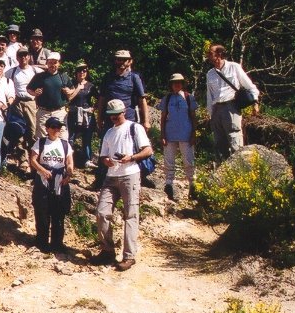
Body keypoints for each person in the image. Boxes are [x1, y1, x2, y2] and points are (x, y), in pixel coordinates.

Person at [93, 99, 153, 271]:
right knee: (102, 212)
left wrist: (131, 157)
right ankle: (107, 250)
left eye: (116, 114)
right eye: (111, 115)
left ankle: (129, 256)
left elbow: (148, 150)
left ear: (123, 112)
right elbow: (103, 156)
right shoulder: (109, 133)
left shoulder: (135, 128)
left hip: (130, 175)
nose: (114, 118)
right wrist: (106, 161)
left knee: (131, 215)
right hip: (111, 176)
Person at [206, 44, 260, 160]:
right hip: (216, 109)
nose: (208, 56)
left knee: (234, 138)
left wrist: (255, 103)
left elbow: (250, 86)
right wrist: (210, 113)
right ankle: (223, 172)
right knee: (219, 142)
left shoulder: (234, 67)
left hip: (231, 106)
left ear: (219, 54)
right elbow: (209, 96)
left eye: (210, 53)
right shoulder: (209, 74)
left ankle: (240, 168)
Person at [29, 116, 73, 253]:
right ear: (47, 128)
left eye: (59, 127)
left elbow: (70, 162)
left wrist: (69, 175)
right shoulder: (40, 143)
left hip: (60, 179)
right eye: (53, 127)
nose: (56, 130)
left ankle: (57, 243)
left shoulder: (65, 144)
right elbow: (32, 159)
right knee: (42, 210)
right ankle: (41, 241)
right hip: (43, 179)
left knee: (59, 211)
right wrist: (42, 170)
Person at [158, 73, 198, 201]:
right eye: (175, 82)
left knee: (189, 162)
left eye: (179, 82)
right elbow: (163, 118)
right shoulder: (167, 98)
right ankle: (168, 186)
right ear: (171, 84)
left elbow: (193, 117)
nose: (177, 85)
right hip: (170, 135)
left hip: (186, 135)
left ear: (183, 84)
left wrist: (193, 134)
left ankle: (193, 186)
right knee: (169, 162)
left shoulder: (188, 98)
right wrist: (162, 135)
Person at [27, 52, 77, 139]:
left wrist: (69, 91)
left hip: (59, 112)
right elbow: (29, 89)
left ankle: (63, 152)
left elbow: (72, 88)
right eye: (50, 62)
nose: (52, 65)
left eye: (55, 62)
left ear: (59, 63)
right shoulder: (39, 76)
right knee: (42, 138)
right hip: (43, 113)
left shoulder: (63, 76)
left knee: (62, 137)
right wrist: (34, 93)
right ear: (47, 63)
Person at [97, 49, 149, 130]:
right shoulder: (107, 77)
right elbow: (101, 99)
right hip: (109, 120)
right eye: (119, 59)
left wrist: (146, 121)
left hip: (128, 119)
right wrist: (99, 118)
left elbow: (142, 100)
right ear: (115, 61)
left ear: (129, 61)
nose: (121, 62)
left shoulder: (134, 78)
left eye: (124, 60)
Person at [6, 47, 37, 151]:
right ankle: (23, 161)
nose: (23, 57)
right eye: (20, 55)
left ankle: (33, 158)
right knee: (19, 130)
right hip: (17, 102)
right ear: (17, 58)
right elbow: (0, 78)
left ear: (29, 56)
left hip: (31, 102)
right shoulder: (12, 71)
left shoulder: (35, 70)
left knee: (32, 131)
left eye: (25, 55)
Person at [67, 61, 98, 168]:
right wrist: (77, 88)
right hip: (73, 113)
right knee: (70, 137)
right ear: (76, 73)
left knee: (87, 138)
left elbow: (99, 99)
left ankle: (87, 159)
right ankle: (68, 159)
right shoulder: (71, 84)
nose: (82, 73)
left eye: (84, 71)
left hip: (87, 114)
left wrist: (94, 108)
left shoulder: (91, 86)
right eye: (79, 71)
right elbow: (67, 98)